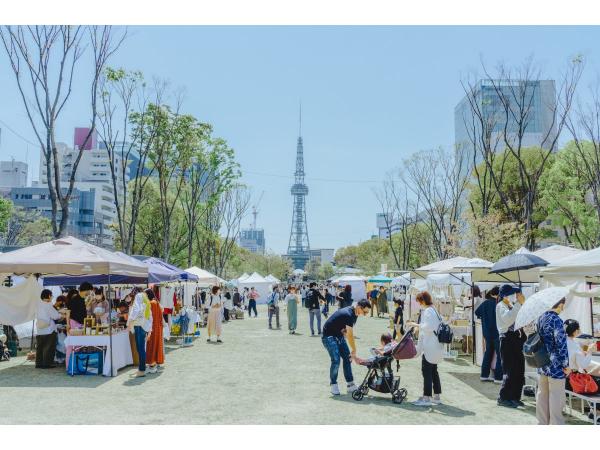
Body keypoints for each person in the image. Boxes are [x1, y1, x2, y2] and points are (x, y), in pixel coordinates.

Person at [321, 299, 372, 395]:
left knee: (348, 358)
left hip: (338, 336)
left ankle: (350, 385)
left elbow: (345, 332)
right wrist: (354, 350)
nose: (365, 314)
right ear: (358, 306)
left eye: (366, 313)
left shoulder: (354, 314)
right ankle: (333, 385)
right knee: (336, 360)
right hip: (329, 336)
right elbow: (349, 335)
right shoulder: (348, 314)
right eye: (364, 312)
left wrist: (352, 355)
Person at [536, 297, 570, 425]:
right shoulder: (557, 320)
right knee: (556, 396)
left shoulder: (541, 317)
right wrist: (566, 365)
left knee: (542, 395)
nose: (563, 308)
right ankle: (556, 425)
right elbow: (561, 344)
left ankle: (542, 423)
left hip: (542, 362)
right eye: (563, 305)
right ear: (560, 304)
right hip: (556, 365)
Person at [407, 291, 444, 406]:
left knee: (427, 371)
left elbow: (428, 327)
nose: (419, 304)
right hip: (436, 346)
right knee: (433, 371)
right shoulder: (434, 310)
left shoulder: (428, 311)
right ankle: (436, 396)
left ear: (422, 301)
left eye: (419, 302)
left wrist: (415, 325)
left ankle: (426, 397)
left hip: (430, 346)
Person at [496, 284, 526, 408]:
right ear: (505, 295)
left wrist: (521, 304)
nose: (514, 296)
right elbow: (508, 319)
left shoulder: (511, 305)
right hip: (507, 338)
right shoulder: (500, 306)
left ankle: (515, 396)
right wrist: (519, 304)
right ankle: (504, 397)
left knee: (519, 369)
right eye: (512, 294)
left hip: (516, 338)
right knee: (510, 370)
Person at [475, 285, 503, 383]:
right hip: (497, 333)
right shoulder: (499, 304)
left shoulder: (485, 303)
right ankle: (498, 377)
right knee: (500, 355)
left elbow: (476, 313)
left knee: (488, 353)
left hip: (486, 333)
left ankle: (484, 375)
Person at [127, 288, 152, 377]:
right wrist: (149, 330)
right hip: (144, 325)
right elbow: (150, 315)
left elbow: (136, 310)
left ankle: (142, 370)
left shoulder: (138, 296)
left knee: (140, 348)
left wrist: (130, 321)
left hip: (138, 325)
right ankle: (142, 368)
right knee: (141, 348)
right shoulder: (146, 299)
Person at [35, 289, 64, 369]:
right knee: (49, 348)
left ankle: (38, 363)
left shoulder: (38, 304)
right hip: (48, 329)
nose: (52, 297)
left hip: (39, 329)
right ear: (49, 296)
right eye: (52, 296)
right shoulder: (48, 305)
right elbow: (55, 316)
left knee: (40, 348)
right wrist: (61, 315)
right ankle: (47, 364)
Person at [145, 289, 164, 374]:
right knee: (156, 345)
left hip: (152, 327)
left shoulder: (151, 303)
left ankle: (152, 365)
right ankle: (155, 363)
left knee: (152, 345)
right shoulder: (156, 302)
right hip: (158, 327)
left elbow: (149, 317)